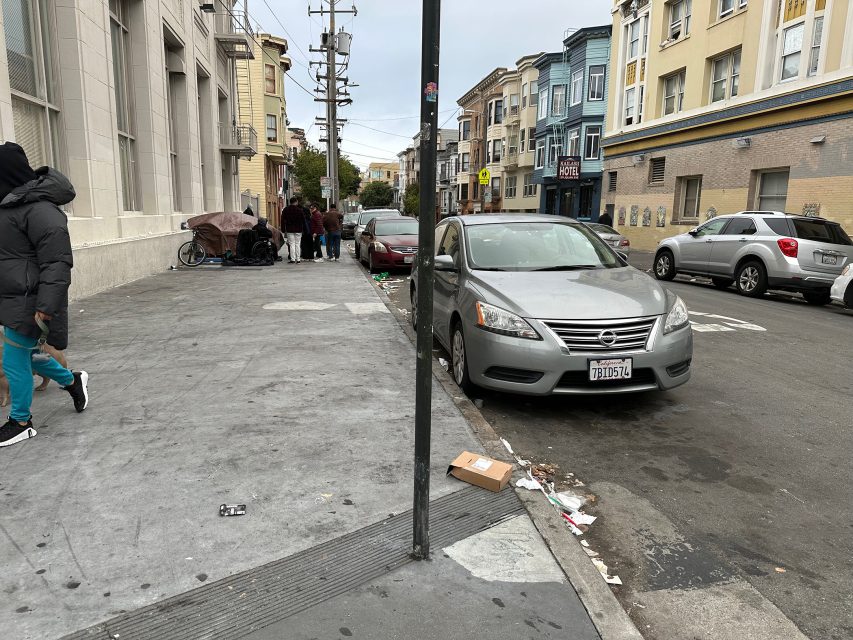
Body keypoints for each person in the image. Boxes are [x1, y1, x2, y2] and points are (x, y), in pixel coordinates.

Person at [0, 142, 89, 448]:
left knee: (13, 358)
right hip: (11, 297)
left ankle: (21, 421)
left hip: (32, 300)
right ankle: (72, 380)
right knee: (25, 356)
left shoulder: (40, 210)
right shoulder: (9, 207)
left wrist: (47, 306)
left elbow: (57, 261)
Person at [281, 196, 305, 263]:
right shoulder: (299, 210)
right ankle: (298, 259)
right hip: (298, 229)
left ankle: (292, 259)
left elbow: (282, 220)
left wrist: (283, 229)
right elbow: (303, 220)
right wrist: (305, 229)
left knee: (291, 244)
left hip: (289, 229)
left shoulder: (286, 210)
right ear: (296, 202)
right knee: (297, 244)